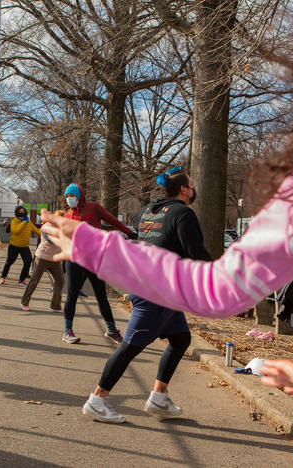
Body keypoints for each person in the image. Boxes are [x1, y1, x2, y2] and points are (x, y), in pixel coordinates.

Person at [43, 0, 293, 465]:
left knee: (165, 341)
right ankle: (113, 394)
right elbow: (218, 284)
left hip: (158, 303)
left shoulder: (157, 209)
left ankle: (145, 394)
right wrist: (96, 246)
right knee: (144, 342)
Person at [83, 169, 212, 423]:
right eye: (191, 185)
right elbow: (196, 253)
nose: (193, 189)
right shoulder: (183, 213)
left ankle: (159, 397)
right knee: (129, 347)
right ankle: (97, 399)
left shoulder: (145, 212)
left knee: (180, 339)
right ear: (184, 190)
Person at [60, 183, 135, 345]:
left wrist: (128, 232)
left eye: (72, 196)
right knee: (72, 294)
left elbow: (112, 220)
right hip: (74, 259)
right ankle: (67, 331)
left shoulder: (93, 208)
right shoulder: (66, 216)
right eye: (67, 197)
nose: (70, 199)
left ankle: (111, 330)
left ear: (79, 196)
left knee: (101, 294)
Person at [20, 210, 66, 312]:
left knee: (60, 281)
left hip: (55, 259)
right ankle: (24, 302)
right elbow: (52, 239)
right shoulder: (46, 227)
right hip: (42, 258)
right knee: (34, 280)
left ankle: (55, 305)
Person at [0, 205, 41, 285]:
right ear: (17, 213)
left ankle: (21, 280)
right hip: (14, 245)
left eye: (23, 211)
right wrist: (24, 223)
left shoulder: (28, 221)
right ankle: (2, 277)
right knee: (9, 261)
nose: (22, 213)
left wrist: (43, 235)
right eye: (20, 212)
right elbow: (15, 231)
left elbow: (35, 230)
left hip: (24, 246)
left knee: (28, 261)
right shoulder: (14, 221)